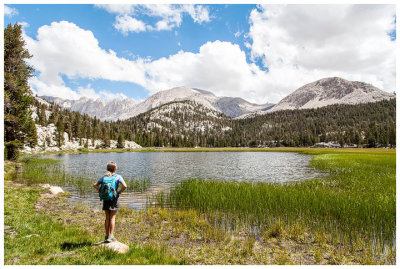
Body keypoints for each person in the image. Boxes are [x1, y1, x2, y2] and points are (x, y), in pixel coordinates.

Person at [93, 161, 127, 243]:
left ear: (107, 168)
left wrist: (100, 191)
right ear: (115, 169)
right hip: (113, 199)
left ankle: (106, 236)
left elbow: (95, 185)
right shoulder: (118, 177)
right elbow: (125, 186)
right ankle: (111, 236)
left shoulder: (104, 177)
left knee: (107, 217)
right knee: (112, 217)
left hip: (105, 198)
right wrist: (119, 192)